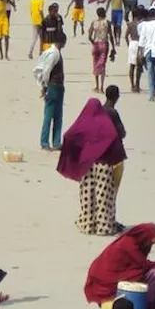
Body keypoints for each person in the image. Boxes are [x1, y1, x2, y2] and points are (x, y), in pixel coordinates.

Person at [59, 91, 128, 236]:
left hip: (87, 163)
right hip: (104, 163)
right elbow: (117, 137)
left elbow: (69, 135)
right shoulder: (105, 124)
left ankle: (87, 223)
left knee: (87, 193)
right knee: (104, 194)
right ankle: (103, 226)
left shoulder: (84, 123)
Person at [84, 225, 155, 309]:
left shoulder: (135, 243)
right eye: (151, 242)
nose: (150, 245)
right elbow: (142, 264)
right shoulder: (128, 244)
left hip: (116, 275)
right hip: (107, 282)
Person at [34, 32, 67, 150]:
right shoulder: (54, 54)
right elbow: (46, 71)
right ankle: (44, 142)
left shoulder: (55, 52)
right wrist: (45, 86)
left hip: (58, 87)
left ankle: (56, 142)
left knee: (58, 116)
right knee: (49, 115)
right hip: (53, 87)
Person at [90, 7, 114, 94]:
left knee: (95, 64)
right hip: (104, 44)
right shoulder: (107, 22)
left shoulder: (94, 22)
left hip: (96, 44)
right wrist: (113, 47)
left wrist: (93, 43)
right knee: (103, 65)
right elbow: (111, 36)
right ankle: (102, 87)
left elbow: (89, 36)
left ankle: (96, 86)